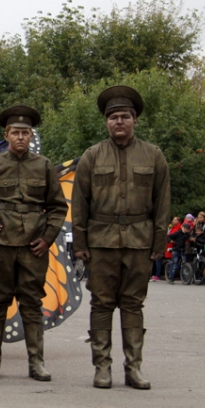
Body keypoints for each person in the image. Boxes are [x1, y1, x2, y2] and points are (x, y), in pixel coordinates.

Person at [72, 86, 170, 390]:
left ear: (135, 120)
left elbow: (163, 203)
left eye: (125, 116)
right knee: (101, 304)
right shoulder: (91, 156)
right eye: (113, 117)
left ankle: (134, 368)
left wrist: (158, 244)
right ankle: (102, 367)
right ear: (106, 122)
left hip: (139, 241)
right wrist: (80, 244)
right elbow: (79, 204)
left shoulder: (153, 156)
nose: (119, 122)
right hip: (100, 242)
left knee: (133, 305)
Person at [0, 105, 68, 381]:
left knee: (31, 302)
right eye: (15, 132)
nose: (20, 137)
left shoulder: (44, 166)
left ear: (31, 136)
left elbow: (57, 206)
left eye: (25, 133)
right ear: (6, 135)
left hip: (33, 245)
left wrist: (47, 238)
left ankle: (36, 362)